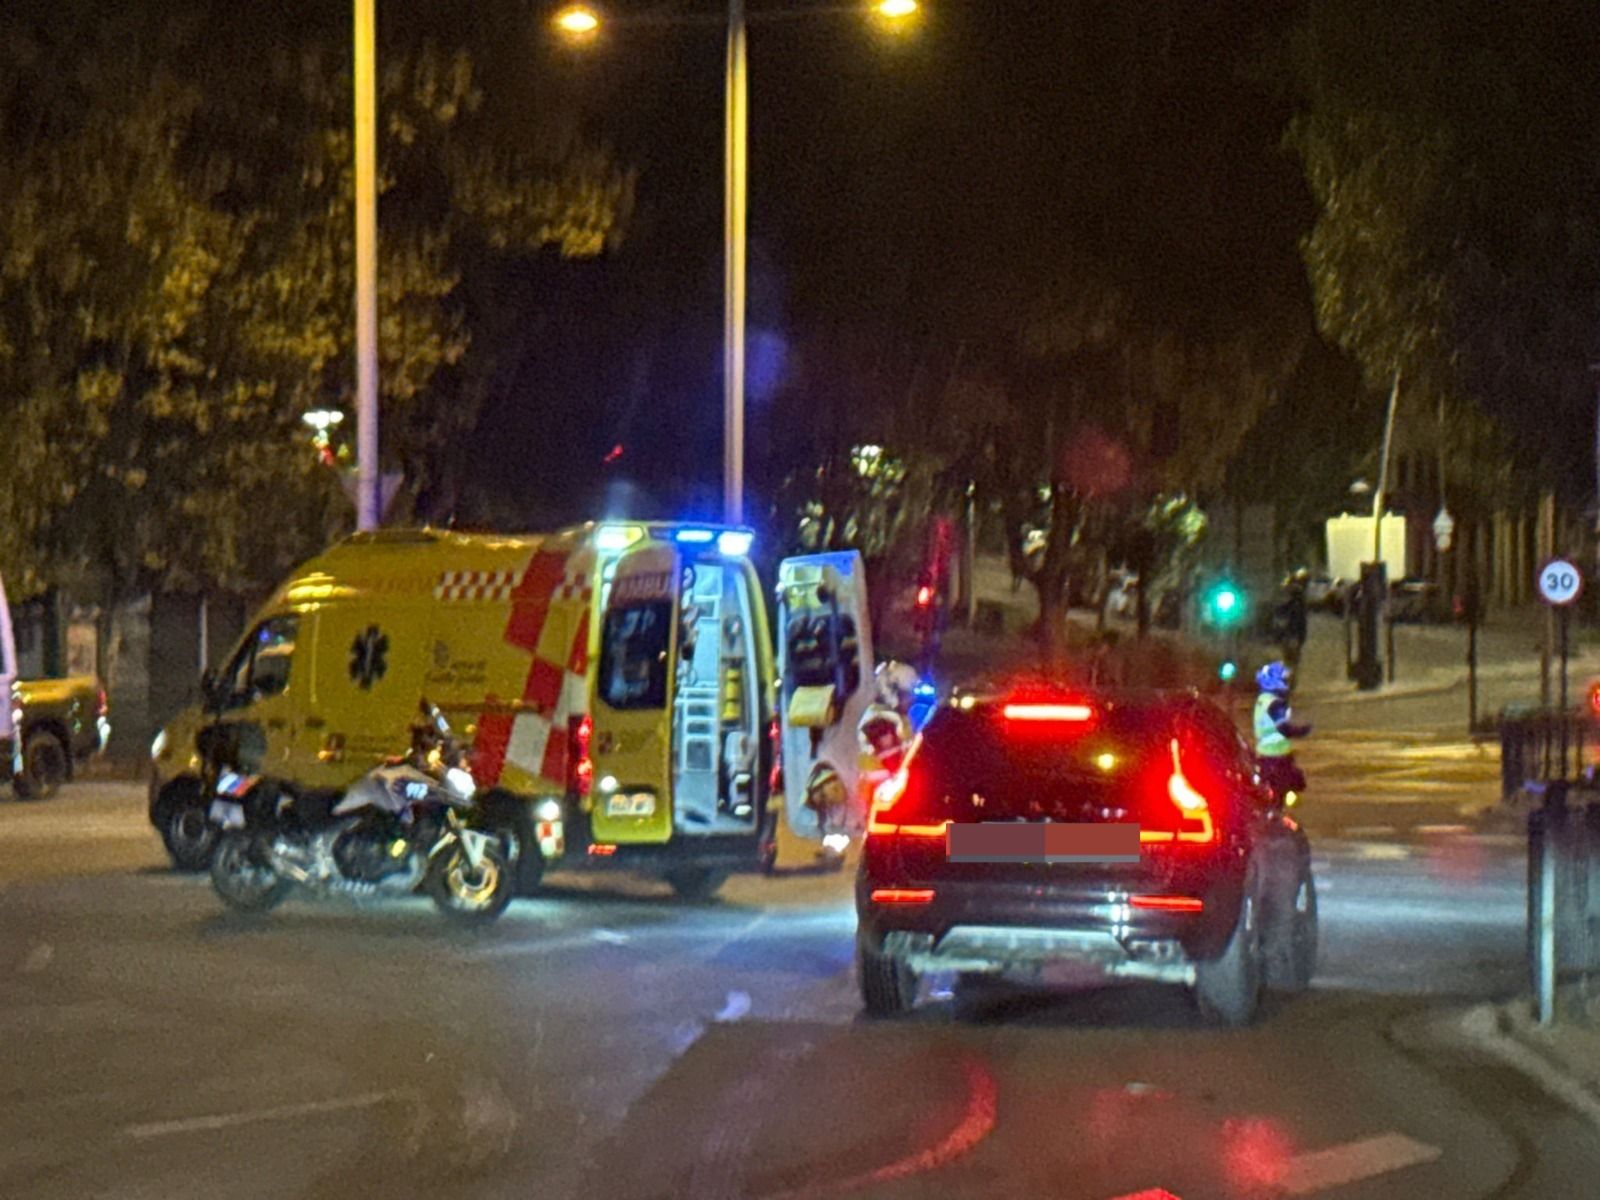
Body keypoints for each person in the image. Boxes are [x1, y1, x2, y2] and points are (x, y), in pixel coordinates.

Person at [1254, 660, 1310, 802]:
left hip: (1264, 754)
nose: (1286, 683)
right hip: (1277, 755)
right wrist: (1302, 731)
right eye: (1284, 679)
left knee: (1271, 792)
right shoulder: (1275, 703)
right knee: (1290, 787)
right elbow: (1283, 727)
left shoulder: (1263, 699)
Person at [1280, 570, 1309, 676]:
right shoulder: (1297, 601)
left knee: (1290, 656)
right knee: (1291, 656)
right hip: (1294, 632)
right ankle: (1291, 674)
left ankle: (1290, 674)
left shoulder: (1295, 602)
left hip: (1293, 632)